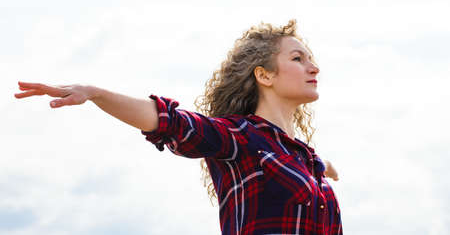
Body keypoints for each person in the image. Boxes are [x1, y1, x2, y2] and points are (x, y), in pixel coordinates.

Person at [14, 19, 343, 235]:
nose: (313, 67)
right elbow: (170, 123)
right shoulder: (241, 137)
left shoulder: (303, 160)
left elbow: (306, 164)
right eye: (298, 59)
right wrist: (96, 93)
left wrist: (321, 165)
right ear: (264, 75)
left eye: (310, 59)